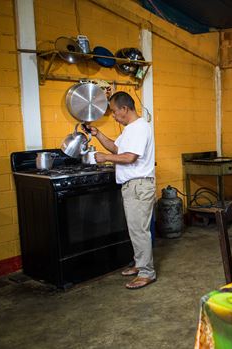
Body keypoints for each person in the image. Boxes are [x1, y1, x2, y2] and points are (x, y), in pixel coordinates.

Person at [86, 91, 157, 290]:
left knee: (139, 230)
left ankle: (146, 272)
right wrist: (97, 134)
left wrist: (103, 158)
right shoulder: (129, 129)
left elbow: (130, 157)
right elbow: (117, 149)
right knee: (135, 228)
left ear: (125, 109)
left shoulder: (140, 128)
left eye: (115, 112)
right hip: (133, 185)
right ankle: (139, 263)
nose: (114, 116)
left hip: (139, 185)